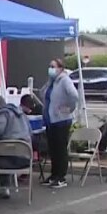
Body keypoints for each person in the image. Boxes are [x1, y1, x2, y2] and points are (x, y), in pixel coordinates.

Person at [0, 94, 32, 200]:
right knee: (6, 150)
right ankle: (5, 188)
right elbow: (30, 132)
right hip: (25, 158)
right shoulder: (22, 115)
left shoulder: (2, 113)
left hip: (8, 159)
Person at [40, 57, 79, 189]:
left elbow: (74, 95)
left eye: (53, 67)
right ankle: (54, 174)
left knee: (60, 149)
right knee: (52, 149)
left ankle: (61, 176)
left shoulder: (64, 80)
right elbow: (43, 94)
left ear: (61, 68)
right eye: (50, 66)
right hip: (50, 120)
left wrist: (68, 107)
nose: (51, 69)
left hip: (61, 120)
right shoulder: (52, 82)